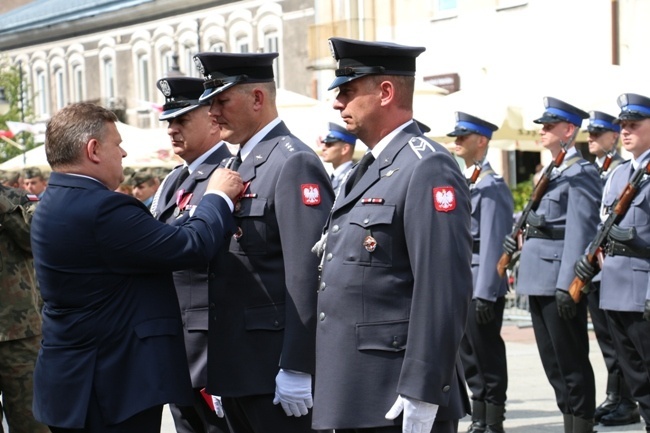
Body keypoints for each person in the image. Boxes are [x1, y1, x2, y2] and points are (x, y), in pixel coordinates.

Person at [29, 102, 243, 433]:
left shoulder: (54, 199)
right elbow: (190, 247)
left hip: (75, 381)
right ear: (94, 149)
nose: (124, 153)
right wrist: (217, 197)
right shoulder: (102, 208)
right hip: (111, 386)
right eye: (117, 144)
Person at [311, 37, 473, 433]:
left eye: (347, 92)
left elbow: (442, 287)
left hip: (394, 391)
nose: (337, 103)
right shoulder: (368, 169)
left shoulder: (427, 166)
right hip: (354, 387)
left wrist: (423, 387)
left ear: (385, 92)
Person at [193, 51, 335, 433]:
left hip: (273, 370)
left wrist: (298, 365)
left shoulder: (292, 162)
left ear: (257, 98)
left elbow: (309, 272)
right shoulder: (238, 164)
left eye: (222, 101)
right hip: (238, 366)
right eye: (209, 103)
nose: (213, 113)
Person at [503, 97, 601, 433]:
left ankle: (582, 425)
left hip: (558, 278)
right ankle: (568, 421)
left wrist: (568, 282)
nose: (541, 131)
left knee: (571, 360)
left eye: (549, 126)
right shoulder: (551, 171)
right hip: (536, 275)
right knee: (553, 363)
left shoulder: (581, 173)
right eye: (542, 125)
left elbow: (580, 230)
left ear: (569, 130)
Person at [152, 75, 233, 433]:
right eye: (169, 121)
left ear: (213, 122)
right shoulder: (172, 181)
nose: (172, 129)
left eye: (182, 119)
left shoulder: (229, 173)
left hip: (213, 347)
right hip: (175, 345)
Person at [576, 93, 650, 433]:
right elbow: (602, 226)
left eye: (634, 124)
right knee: (636, 377)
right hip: (615, 290)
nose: (626, 131)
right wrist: (588, 261)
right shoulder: (620, 175)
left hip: (643, 291)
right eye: (623, 125)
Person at [448, 112, 513, 433]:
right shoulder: (465, 181)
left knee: (486, 353)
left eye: (463, 137)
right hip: (463, 283)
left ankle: (493, 420)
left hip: (480, 284)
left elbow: (493, 244)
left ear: (482, 141)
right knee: (468, 355)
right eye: (456, 137)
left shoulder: (491, 186)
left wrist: (486, 291)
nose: (456, 142)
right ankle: (479, 417)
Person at [584, 110, 639, 426]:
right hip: (597, 265)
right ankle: (616, 395)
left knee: (622, 341)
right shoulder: (600, 171)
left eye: (597, 134)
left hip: (617, 267)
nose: (591, 139)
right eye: (589, 134)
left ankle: (626, 399)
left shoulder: (622, 170)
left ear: (612, 137)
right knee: (608, 339)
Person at [0, 185, 49, 433]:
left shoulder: (18, 199)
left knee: (32, 423)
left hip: (19, 335)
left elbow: (35, 242)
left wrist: (4, 208)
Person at [319, 122, 356, 196]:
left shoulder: (353, 177)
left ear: (345, 149)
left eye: (329, 144)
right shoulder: (334, 177)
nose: (323, 148)